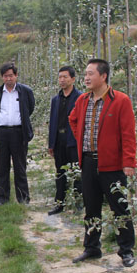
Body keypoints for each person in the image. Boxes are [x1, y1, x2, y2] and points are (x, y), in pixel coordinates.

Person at [68, 58, 137, 268]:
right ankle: (92, 247)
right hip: (88, 162)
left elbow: (128, 134)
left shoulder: (120, 100)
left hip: (112, 166)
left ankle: (126, 250)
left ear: (103, 76)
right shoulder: (83, 101)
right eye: (85, 73)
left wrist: (129, 162)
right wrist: (81, 139)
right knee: (91, 207)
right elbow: (73, 120)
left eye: (91, 73)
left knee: (120, 208)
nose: (86, 77)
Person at [0, 62, 35, 205]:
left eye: (11, 75)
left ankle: (23, 198)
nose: (8, 79)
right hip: (2, 133)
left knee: (20, 167)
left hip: (19, 132)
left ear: (16, 76)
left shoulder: (25, 91)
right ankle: (2, 198)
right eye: (5, 76)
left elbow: (30, 108)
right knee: (2, 167)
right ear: (2, 77)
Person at [47, 66, 82, 215]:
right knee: (60, 173)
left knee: (77, 173)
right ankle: (59, 203)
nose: (62, 80)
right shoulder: (56, 99)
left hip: (73, 140)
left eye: (65, 77)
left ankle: (78, 202)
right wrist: (51, 143)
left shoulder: (80, 98)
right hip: (59, 140)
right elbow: (52, 121)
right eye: (60, 77)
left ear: (73, 79)